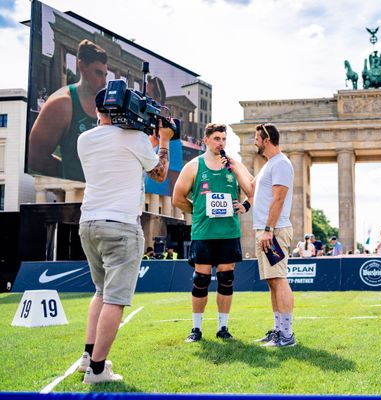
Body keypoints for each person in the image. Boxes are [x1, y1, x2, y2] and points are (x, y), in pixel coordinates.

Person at [77, 89, 173, 384]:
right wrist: (164, 141)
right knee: (115, 300)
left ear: (98, 111)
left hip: (89, 222)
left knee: (100, 292)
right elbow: (159, 174)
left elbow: (123, 154)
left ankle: (86, 357)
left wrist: (146, 137)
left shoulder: (84, 139)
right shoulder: (135, 139)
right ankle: (97, 370)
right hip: (121, 226)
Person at [172, 123, 249, 343]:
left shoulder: (234, 165)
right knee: (201, 280)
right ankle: (196, 329)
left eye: (224, 139)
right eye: (216, 138)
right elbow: (177, 198)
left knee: (226, 279)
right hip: (204, 232)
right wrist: (197, 211)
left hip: (228, 232)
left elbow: (253, 188)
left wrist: (245, 206)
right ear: (206, 140)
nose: (221, 143)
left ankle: (223, 327)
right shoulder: (194, 166)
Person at [226, 123, 296, 347]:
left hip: (273, 231)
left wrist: (268, 230)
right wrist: (245, 205)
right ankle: (278, 330)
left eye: (256, 137)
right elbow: (252, 189)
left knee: (279, 279)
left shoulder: (282, 164)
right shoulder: (269, 165)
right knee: (272, 282)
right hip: (265, 230)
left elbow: (278, 199)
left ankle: (287, 334)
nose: (254, 142)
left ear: (266, 139)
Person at [29, 40, 108, 181]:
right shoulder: (61, 104)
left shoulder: (107, 104)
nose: (104, 82)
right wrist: (71, 173)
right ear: (82, 66)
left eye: (105, 75)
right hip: (75, 197)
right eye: (98, 73)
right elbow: (35, 157)